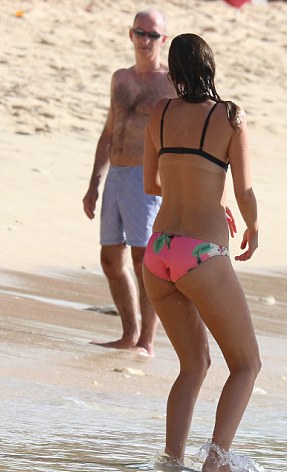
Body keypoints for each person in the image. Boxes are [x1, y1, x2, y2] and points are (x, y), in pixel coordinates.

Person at [142, 33, 261, 472]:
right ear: (211, 67)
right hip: (201, 253)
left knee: (192, 365)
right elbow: (244, 190)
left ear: (173, 73)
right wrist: (253, 225)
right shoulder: (229, 116)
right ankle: (216, 459)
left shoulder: (160, 112)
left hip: (158, 251)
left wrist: (200, 190)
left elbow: (151, 185)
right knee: (246, 364)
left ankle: (172, 462)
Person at [82, 9, 175, 356]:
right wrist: (94, 182)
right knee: (110, 259)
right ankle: (128, 334)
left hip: (145, 177)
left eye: (152, 35)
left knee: (143, 260)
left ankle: (146, 341)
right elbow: (109, 130)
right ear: (130, 34)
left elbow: (182, 132)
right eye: (140, 32)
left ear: (163, 39)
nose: (145, 40)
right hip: (116, 176)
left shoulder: (170, 82)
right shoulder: (120, 78)